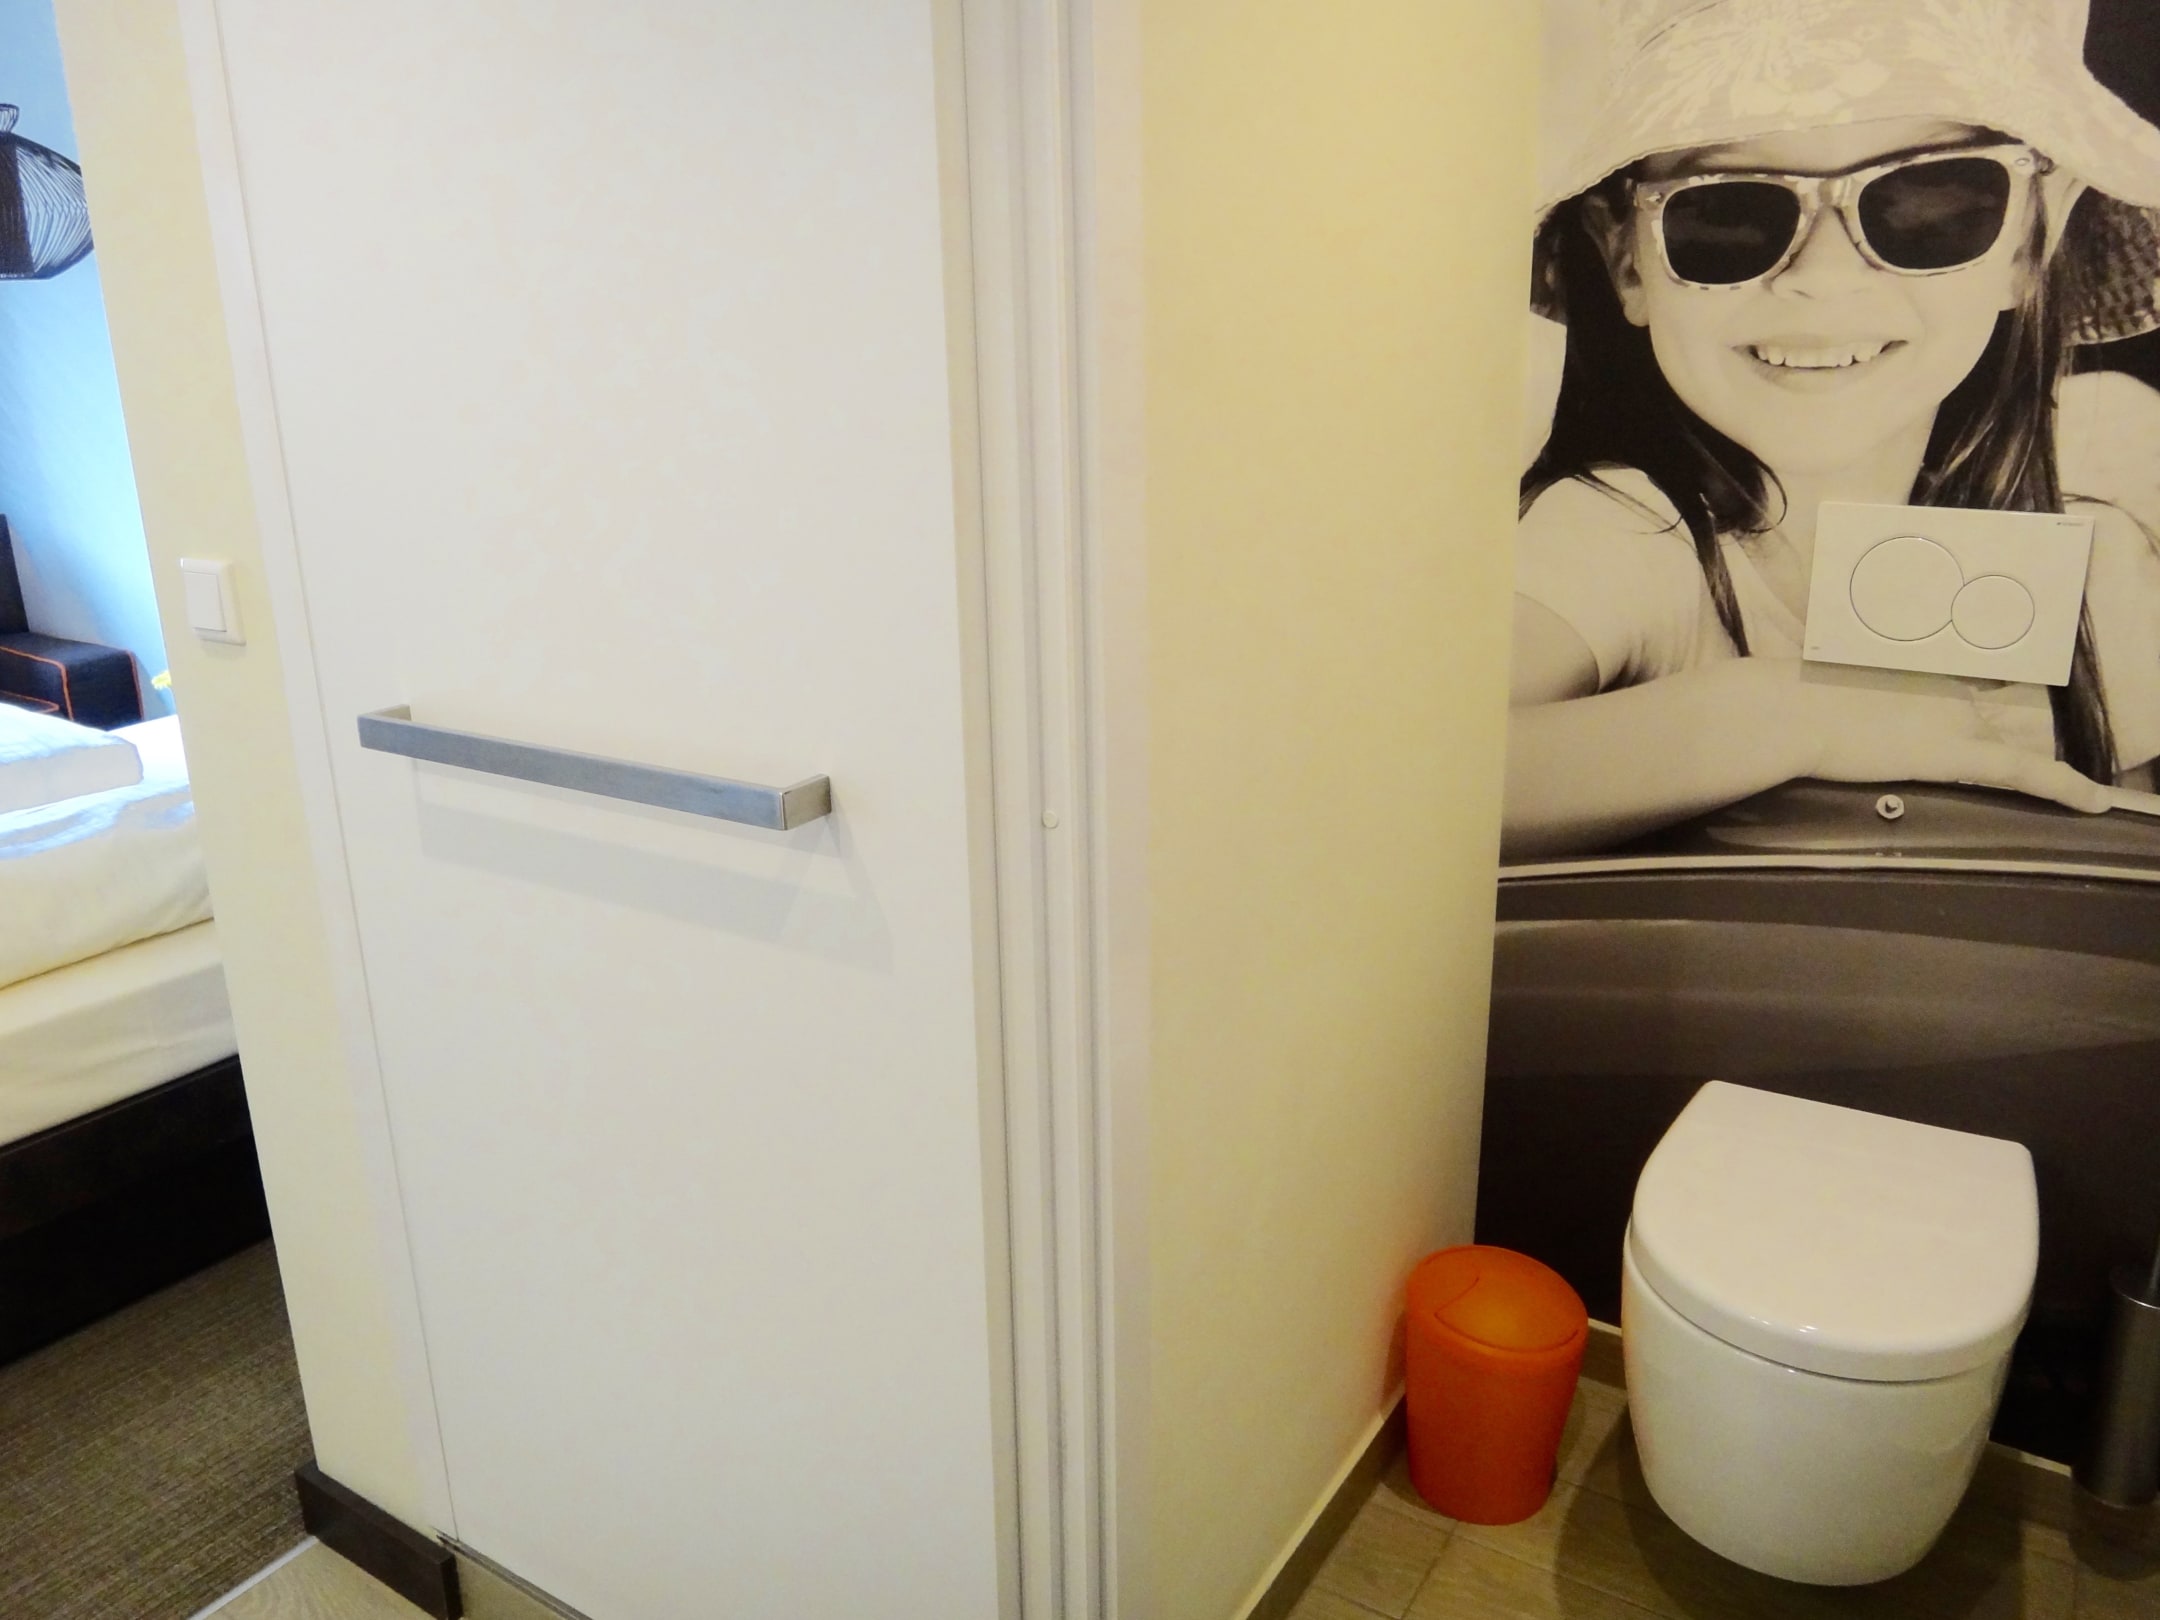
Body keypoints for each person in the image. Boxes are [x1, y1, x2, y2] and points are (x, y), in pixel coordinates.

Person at [1506, 0, 2160, 859]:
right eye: (1728, 214)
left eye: (1928, 201)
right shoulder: (1627, 535)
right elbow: (1389, 776)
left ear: (2031, 241)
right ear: (1627, 260)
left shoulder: (2097, 562)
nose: (1822, 277)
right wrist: (1790, 713)